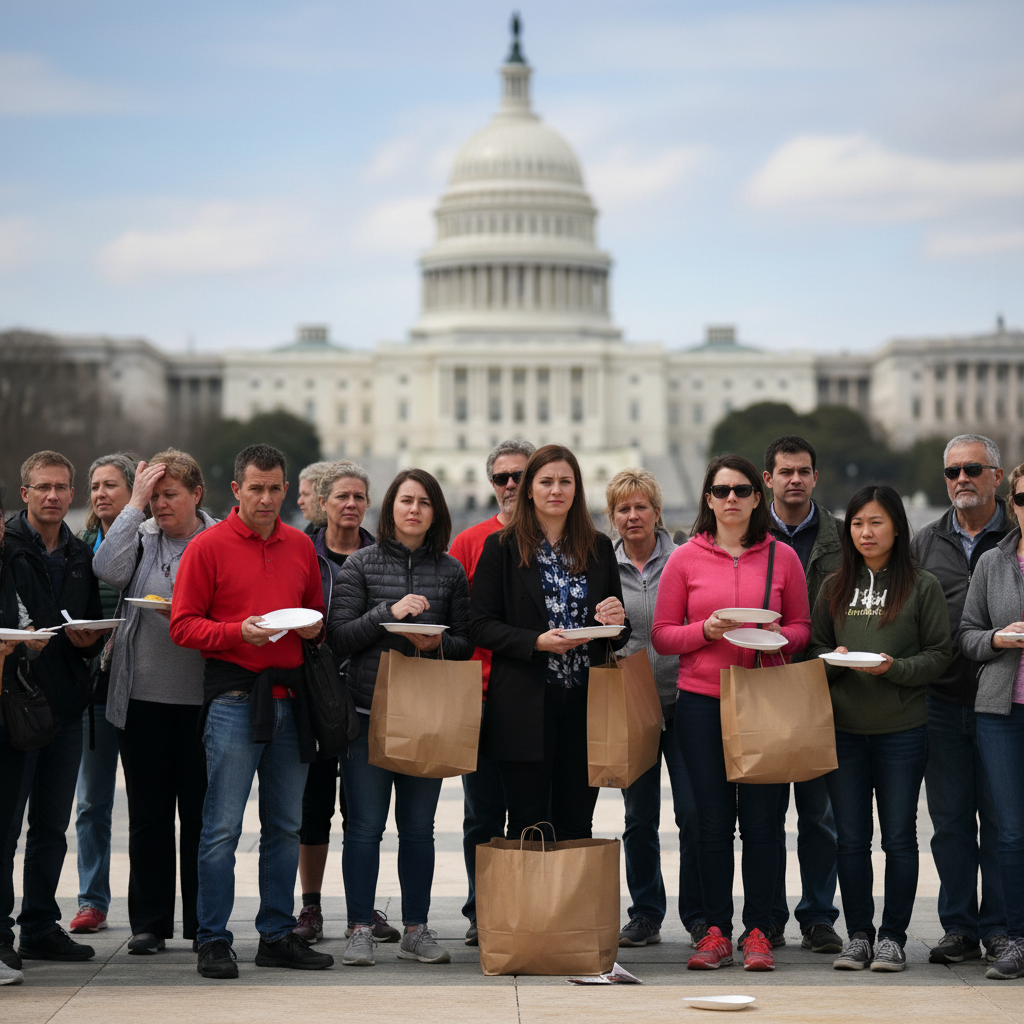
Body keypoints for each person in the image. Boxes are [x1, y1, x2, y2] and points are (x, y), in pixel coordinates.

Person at [170, 443, 333, 978]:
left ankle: (277, 934)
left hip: (290, 700)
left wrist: (313, 628)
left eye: (275, 488)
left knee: (285, 826)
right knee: (220, 827)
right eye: (255, 488)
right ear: (236, 490)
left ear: (287, 489)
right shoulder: (207, 546)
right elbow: (183, 625)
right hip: (235, 700)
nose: (266, 498)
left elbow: (315, 615)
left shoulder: (299, 547)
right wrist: (237, 631)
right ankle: (213, 937)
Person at [652, 453, 811, 973]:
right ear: (707, 498)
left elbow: (804, 628)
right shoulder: (684, 558)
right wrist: (707, 631)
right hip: (702, 701)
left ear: (757, 496)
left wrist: (775, 639)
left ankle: (760, 929)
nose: (732, 500)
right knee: (711, 824)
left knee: (765, 824)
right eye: (721, 491)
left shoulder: (782, 557)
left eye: (742, 490)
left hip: (763, 696)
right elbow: (662, 635)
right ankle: (716, 929)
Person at [328, 469, 473, 968]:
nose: (414, 510)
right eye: (406, 500)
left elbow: (467, 642)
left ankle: (416, 927)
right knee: (364, 829)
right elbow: (339, 636)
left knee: (418, 829)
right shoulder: (360, 565)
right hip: (368, 713)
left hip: (427, 715)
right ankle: (359, 927)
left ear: (436, 512)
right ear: (390, 508)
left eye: (425, 502)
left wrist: (437, 643)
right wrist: (388, 613)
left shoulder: (452, 570)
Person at [809, 485, 952, 972]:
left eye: (875, 522)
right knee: (849, 838)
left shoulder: (922, 586)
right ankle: (858, 935)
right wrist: (835, 662)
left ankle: (892, 937)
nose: (865, 532)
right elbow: (815, 654)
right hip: (844, 730)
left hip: (902, 730)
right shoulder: (833, 586)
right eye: (857, 523)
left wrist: (893, 668)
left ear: (896, 527)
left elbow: (939, 655)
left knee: (898, 838)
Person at [471, 444, 630, 844]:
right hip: (525, 703)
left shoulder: (597, 547)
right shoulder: (502, 547)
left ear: (577, 489)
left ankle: (573, 908)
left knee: (577, 823)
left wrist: (616, 620)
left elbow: (618, 630)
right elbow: (480, 625)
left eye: (565, 481)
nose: (555, 490)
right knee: (528, 823)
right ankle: (525, 909)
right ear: (528, 490)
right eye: (546, 481)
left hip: (584, 702)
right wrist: (534, 642)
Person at [93, 450, 217, 954]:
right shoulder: (142, 539)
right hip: (141, 695)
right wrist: (134, 503)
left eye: (170, 496)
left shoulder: (218, 541)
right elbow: (106, 567)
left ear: (196, 495)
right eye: (156, 496)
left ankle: (202, 924)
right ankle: (148, 923)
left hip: (201, 698)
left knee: (200, 817)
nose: (162, 505)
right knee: (148, 815)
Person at [0, 451, 107, 967]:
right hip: (15, 705)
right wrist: (21, 645)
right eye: (42, 487)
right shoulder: (6, 548)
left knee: (51, 825)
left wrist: (88, 641)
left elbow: (82, 623)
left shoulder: (80, 552)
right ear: (24, 494)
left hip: (64, 707)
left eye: (62, 487)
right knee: (5, 826)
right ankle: (1, 933)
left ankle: (40, 925)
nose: (53, 496)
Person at [911, 434, 1010, 965]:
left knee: (1000, 821)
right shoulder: (924, 543)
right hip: (941, 700)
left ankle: (998, 927)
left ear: (997, 475)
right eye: (952, 472)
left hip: (1004, 703)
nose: (961, 480)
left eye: (973, 469)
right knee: (949, 822)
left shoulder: (1015, 538)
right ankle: (958, 926)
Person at [292, 461, 398, 945]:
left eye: (359, 498)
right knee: (313, 807)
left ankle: (364, 906)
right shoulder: (300, 552)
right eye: (342, 498)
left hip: (365, 696)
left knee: (364, 814)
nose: (351, 505)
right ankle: (310, 906)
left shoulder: (383, 556)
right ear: (323, 503)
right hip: (312, 692)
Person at [605, 468, 705, 949]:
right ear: (613, 518)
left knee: (692, 813)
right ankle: (645, 912)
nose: (632, 516)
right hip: (631, 705)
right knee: (638, 817)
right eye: (623, 509)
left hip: (685, 701)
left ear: (658, 512)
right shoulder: (602, 566)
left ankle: (699, 914)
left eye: (640, 506)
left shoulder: (686, 560)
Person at [448, 437, 533, 946]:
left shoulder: (558, 543)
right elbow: (460, 623)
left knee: (528, 811)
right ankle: (483, 909)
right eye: (501, 477)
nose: (510, 486)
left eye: (520, 476)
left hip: (535, 698)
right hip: (479, 696)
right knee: (482, 812)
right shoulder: (469, 542)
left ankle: (524, 907)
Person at [762, 436, 842, 954]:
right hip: (763, 686)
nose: (795, 479)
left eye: (804, 471)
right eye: (786, 471)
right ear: (767, 479)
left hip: (821, 686)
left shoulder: (841, 536)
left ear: (815, 477)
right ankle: (767, 917)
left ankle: (817, 916)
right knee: (764, 816)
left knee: (818, 816)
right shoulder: (745, 531)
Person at [959, 461, 1024, 980]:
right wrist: (999, 639)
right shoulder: (993, 562)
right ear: (1013, 503)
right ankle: (1013, 937)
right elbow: (968, 635)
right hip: (1001, 711)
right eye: (1023, 499)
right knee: (1008, 832)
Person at [69, 452, 137, 937]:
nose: (100, 494)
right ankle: (92, 900)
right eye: (94, 486)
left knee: (150, 804)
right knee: (92, 804)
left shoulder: (152, 538)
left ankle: (149, 908)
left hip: (142, 690)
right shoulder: (78, 545)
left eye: (110, 485)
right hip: (92, 691)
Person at [297, 461, 333, 536]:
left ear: (323, 496)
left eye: (306, 494)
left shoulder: (334, 537)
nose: (299, 501)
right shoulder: (312, 530)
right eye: (300, 495)